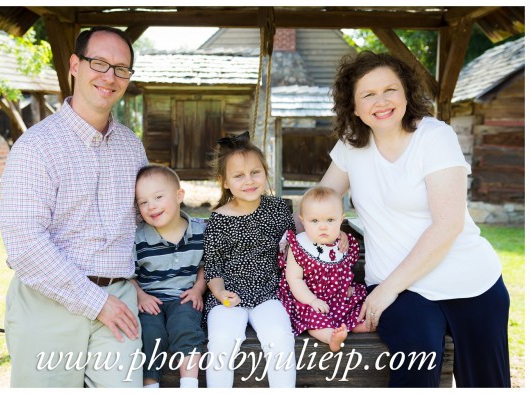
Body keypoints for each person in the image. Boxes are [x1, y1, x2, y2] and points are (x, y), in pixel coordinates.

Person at [322, 50, 509, 387]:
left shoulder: (435, 137)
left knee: (486, 383)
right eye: (368, 94)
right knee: (416, 363)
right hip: (401, 291)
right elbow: (322, 200)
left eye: (390, 89)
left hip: (468, 281)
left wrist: (384, 292)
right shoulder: (351, 145)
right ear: (353, 106)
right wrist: (280, 232)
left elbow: (448, 223)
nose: (381, 101)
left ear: (406, 92)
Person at [0, 26, 147, 388]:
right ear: (75, 65)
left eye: (121, 68)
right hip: (48, 302)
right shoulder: (36, 147)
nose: (110, 77)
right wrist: (95, 302)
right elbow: (24, 244)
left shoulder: (133, 148)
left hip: (120, 301)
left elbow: (146, 223)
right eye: (99, 63)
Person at [201, 132, 296, 387]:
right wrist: (220, 294)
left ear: (266, 172)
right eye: (239, 175)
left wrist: (335, 238)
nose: (249, 181)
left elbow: (296, 245)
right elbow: (213, 267)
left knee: (280, 337)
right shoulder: (219, 220)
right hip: (228, 298)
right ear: (225, 182)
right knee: (221, 340)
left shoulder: (277, 209)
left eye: (256, 172)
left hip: (268, 293)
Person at [131, 165, 206, 388]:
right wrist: (141, 296)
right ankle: (150, 385)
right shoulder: (138, 238)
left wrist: (198, 290)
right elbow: (128, 274)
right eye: (143, 202)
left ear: (179, 195)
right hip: (150, 299)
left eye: (158, 197)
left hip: (183, 296)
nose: (151, 206)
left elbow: (205, 266)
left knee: (186, 326)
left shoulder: (199, 231)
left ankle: (189, 384)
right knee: (150, 334)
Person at [277, 186, 370, 352]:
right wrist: (312, 300)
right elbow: (294, 279)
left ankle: (359, 326)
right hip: (306, 298)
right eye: (315, 221)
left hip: (337, 298)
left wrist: (346, 286)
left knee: (357, 303)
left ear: (341, 219)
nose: (323, 227)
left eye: (330, 220)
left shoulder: (341, 243)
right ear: (303, 220)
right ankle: (330, 337)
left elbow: (344, 270)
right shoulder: (299, 246)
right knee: (312, 317)